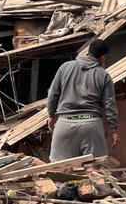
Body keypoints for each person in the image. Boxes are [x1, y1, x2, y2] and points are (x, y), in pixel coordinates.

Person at [47, 38, 119, 169]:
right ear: (102, 57)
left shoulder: (65, 67)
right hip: (91, 125)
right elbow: (110, 105)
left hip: (65, 124)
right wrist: (114, 129)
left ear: (88, 52)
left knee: (61, 171)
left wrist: (51, 115)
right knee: (93, 172)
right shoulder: (104, 75)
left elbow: (53, 94)